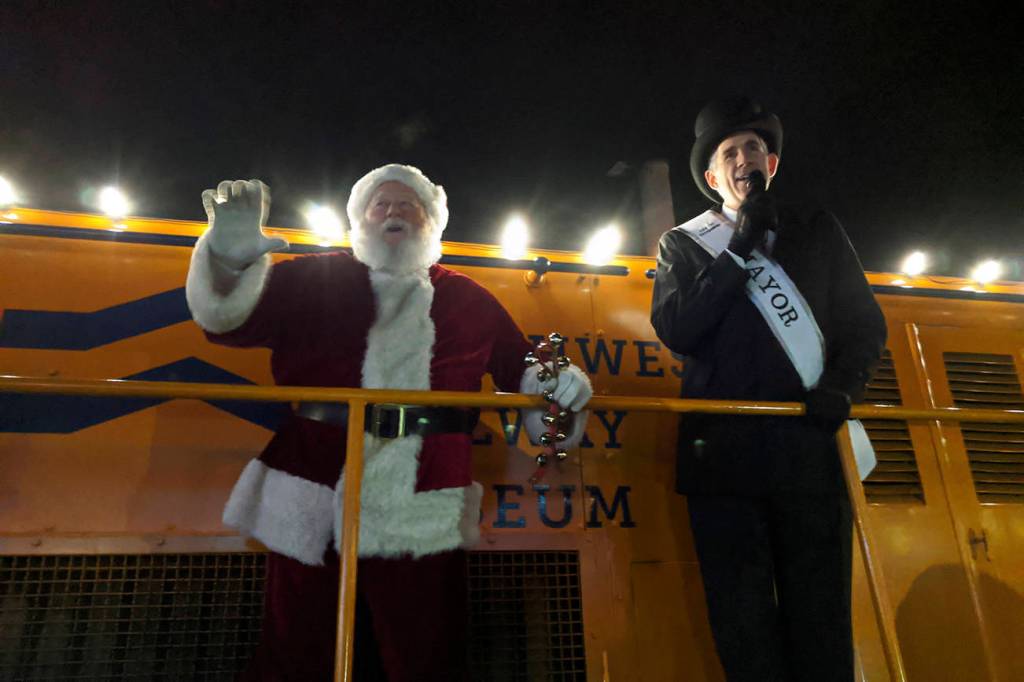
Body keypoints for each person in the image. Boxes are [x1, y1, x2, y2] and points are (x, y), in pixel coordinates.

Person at [185, 164, 592, 681]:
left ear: (432, 221)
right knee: (297, 646)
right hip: (313, 484)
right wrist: (225, 263)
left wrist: (559, 385)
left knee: (425, 651)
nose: (394, 213)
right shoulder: (311, 277)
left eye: (408, 205)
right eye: (381, 205)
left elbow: (525, 368)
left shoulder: (471, 298)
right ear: (360, 220)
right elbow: (227, 324)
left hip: (425, 494)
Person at [650, 97, 887, 681]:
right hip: (723, 460)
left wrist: (842, 387)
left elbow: (865, 325)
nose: (743, 157)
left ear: (771, 163)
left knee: (821, 618)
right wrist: (737, 250)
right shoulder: (683, 245)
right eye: (729, 152)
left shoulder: (817, 228)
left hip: (808, 452)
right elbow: (677, 329)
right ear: (713, 178)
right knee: (743, 624)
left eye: (753, 147)